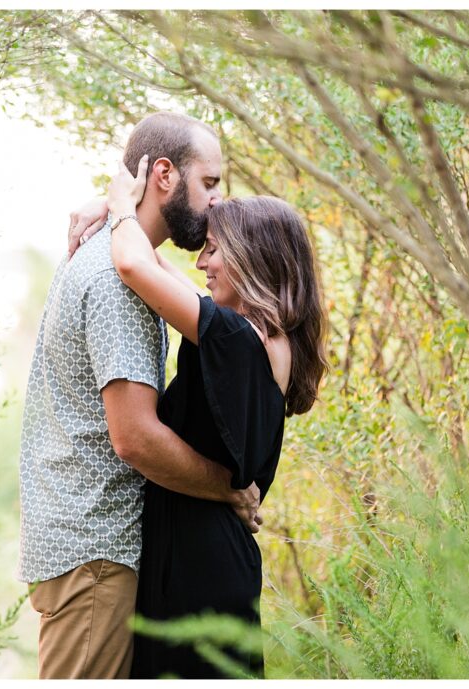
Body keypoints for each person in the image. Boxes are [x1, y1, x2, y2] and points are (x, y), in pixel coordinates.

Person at [15, 112, 265, 680]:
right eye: (210, 184)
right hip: (93, 552)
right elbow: (134, 439)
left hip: (89, 547)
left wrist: (115, 205)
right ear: (164, 175)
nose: (217, 202)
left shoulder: (111, 253)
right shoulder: (115, 279)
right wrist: (227, 488)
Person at [78, 156, 329, 678]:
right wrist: (113, 208)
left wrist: (122, 204)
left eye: (213, 251)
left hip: (198, 565)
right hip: (212, 553)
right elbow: (162, 269)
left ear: (251, 257)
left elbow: (133, 266)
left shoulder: (236, 340)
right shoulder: (265, 339)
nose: (201, 263)